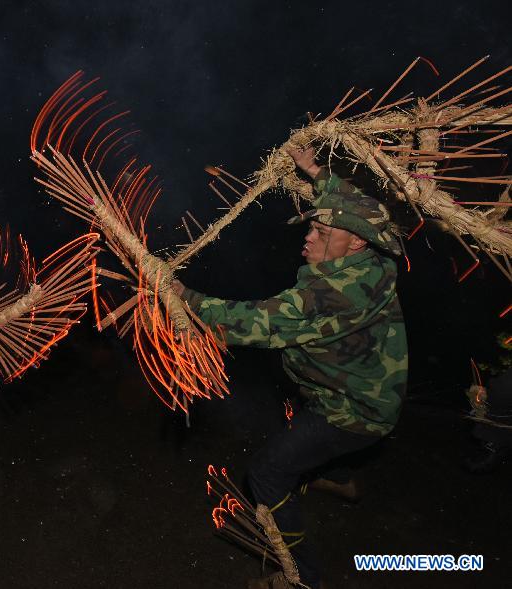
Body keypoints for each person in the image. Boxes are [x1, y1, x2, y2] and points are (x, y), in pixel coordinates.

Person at [173, 146, 408, 589]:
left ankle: (304, 578)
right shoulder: (377, 261)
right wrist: (317, 171)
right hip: (368, 390)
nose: (309, 239)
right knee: (314, 429)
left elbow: (250, 322)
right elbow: (360, 205)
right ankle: (342, 481)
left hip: (353, 413)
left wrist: (184, 297)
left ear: (354, 240)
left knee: (267, 473)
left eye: (320, 232)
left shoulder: (330, 296)